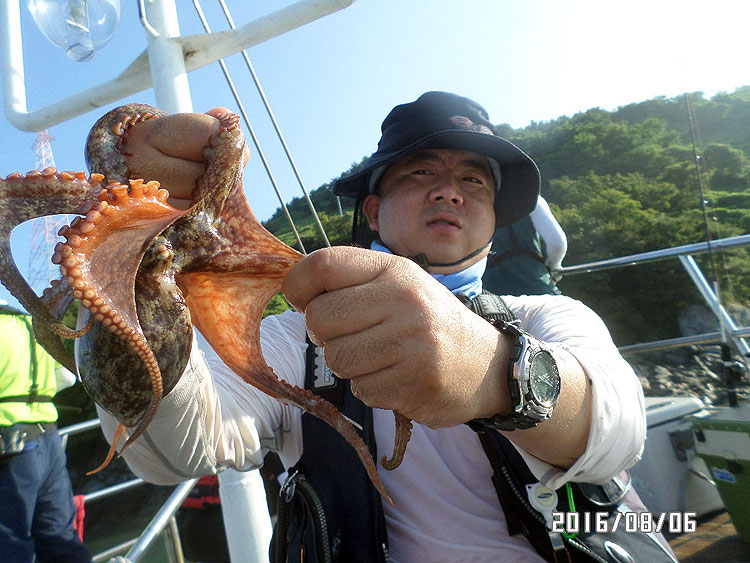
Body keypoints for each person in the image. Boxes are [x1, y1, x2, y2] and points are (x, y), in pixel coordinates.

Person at [92, 92, 649, 562]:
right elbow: (173, 447)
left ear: (494, 220)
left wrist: (496, 371)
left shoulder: (546, 317)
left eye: (474, 180)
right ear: (375, 212)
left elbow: (618, 432)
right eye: (422, 171)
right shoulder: (297, 339)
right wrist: (128, 259)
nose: (450, 191)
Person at [0, 302, 92, 563]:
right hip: (49, 442)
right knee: (60, 537)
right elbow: (67, 378)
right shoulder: (32, 324)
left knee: (10, 544)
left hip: (11, 448)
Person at [483, 194, 567, 296]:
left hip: (493, 297)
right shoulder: (532, 198)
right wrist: (554, 268)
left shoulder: (473, 205)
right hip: (538, 288)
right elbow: (557, 244)